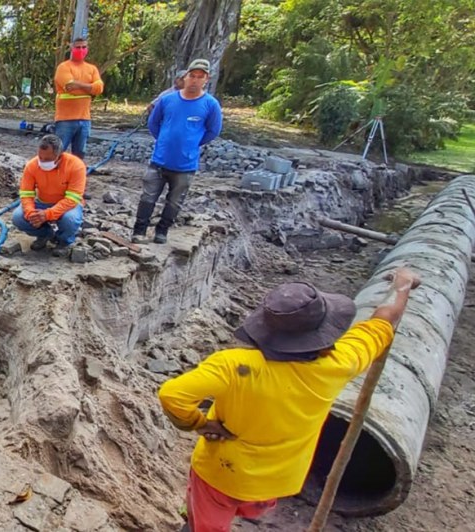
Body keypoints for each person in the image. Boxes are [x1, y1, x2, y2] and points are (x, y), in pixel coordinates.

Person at [158, 267, 422, 532]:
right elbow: (385, 317)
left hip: (220, 472)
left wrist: (201, 423)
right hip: (278, 478)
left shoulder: (235, 366)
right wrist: (403, 285)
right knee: (243, 503)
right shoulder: (339, 364)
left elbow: (172, 395)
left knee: (206, 519)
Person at [132, 59, 223, 244]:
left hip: (185, 164)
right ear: (185, 76)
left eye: (200, 77)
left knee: (174, 201)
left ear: (207, 79)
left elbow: (213, 131)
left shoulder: (210, 104)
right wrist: (163, 140)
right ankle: (139, 231)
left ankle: (162, 231)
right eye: (192, 76)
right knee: (148, 196)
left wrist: (192, 143)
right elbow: (153, 123)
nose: (195, 80)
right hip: (160, 160)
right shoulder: (167, 99)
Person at [12, 134, 87, 257]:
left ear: (59, 156)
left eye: (47, 160)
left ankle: (63, 242)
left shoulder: (76, 165)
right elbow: (26, 194)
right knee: (18, 217)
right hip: (42, 202)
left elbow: (72, 198)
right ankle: (45, 234)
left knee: (70, 220)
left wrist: (47, 214)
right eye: (40, 157)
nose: (42, 162)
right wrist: (31, 213)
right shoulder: (32, 165)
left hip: (68, 204)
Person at [54, 37, 104, 159]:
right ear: (71, 48)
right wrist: (90, 87)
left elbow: (99, 88)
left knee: (79, 154)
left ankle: (75, 176)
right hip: (65, 119)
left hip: (84, 119)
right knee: (58, 152)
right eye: (78, 47)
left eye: (84, 47)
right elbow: (69, 86)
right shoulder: (63, 67)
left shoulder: (92, 68)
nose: (81, 50)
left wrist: (79, 84)